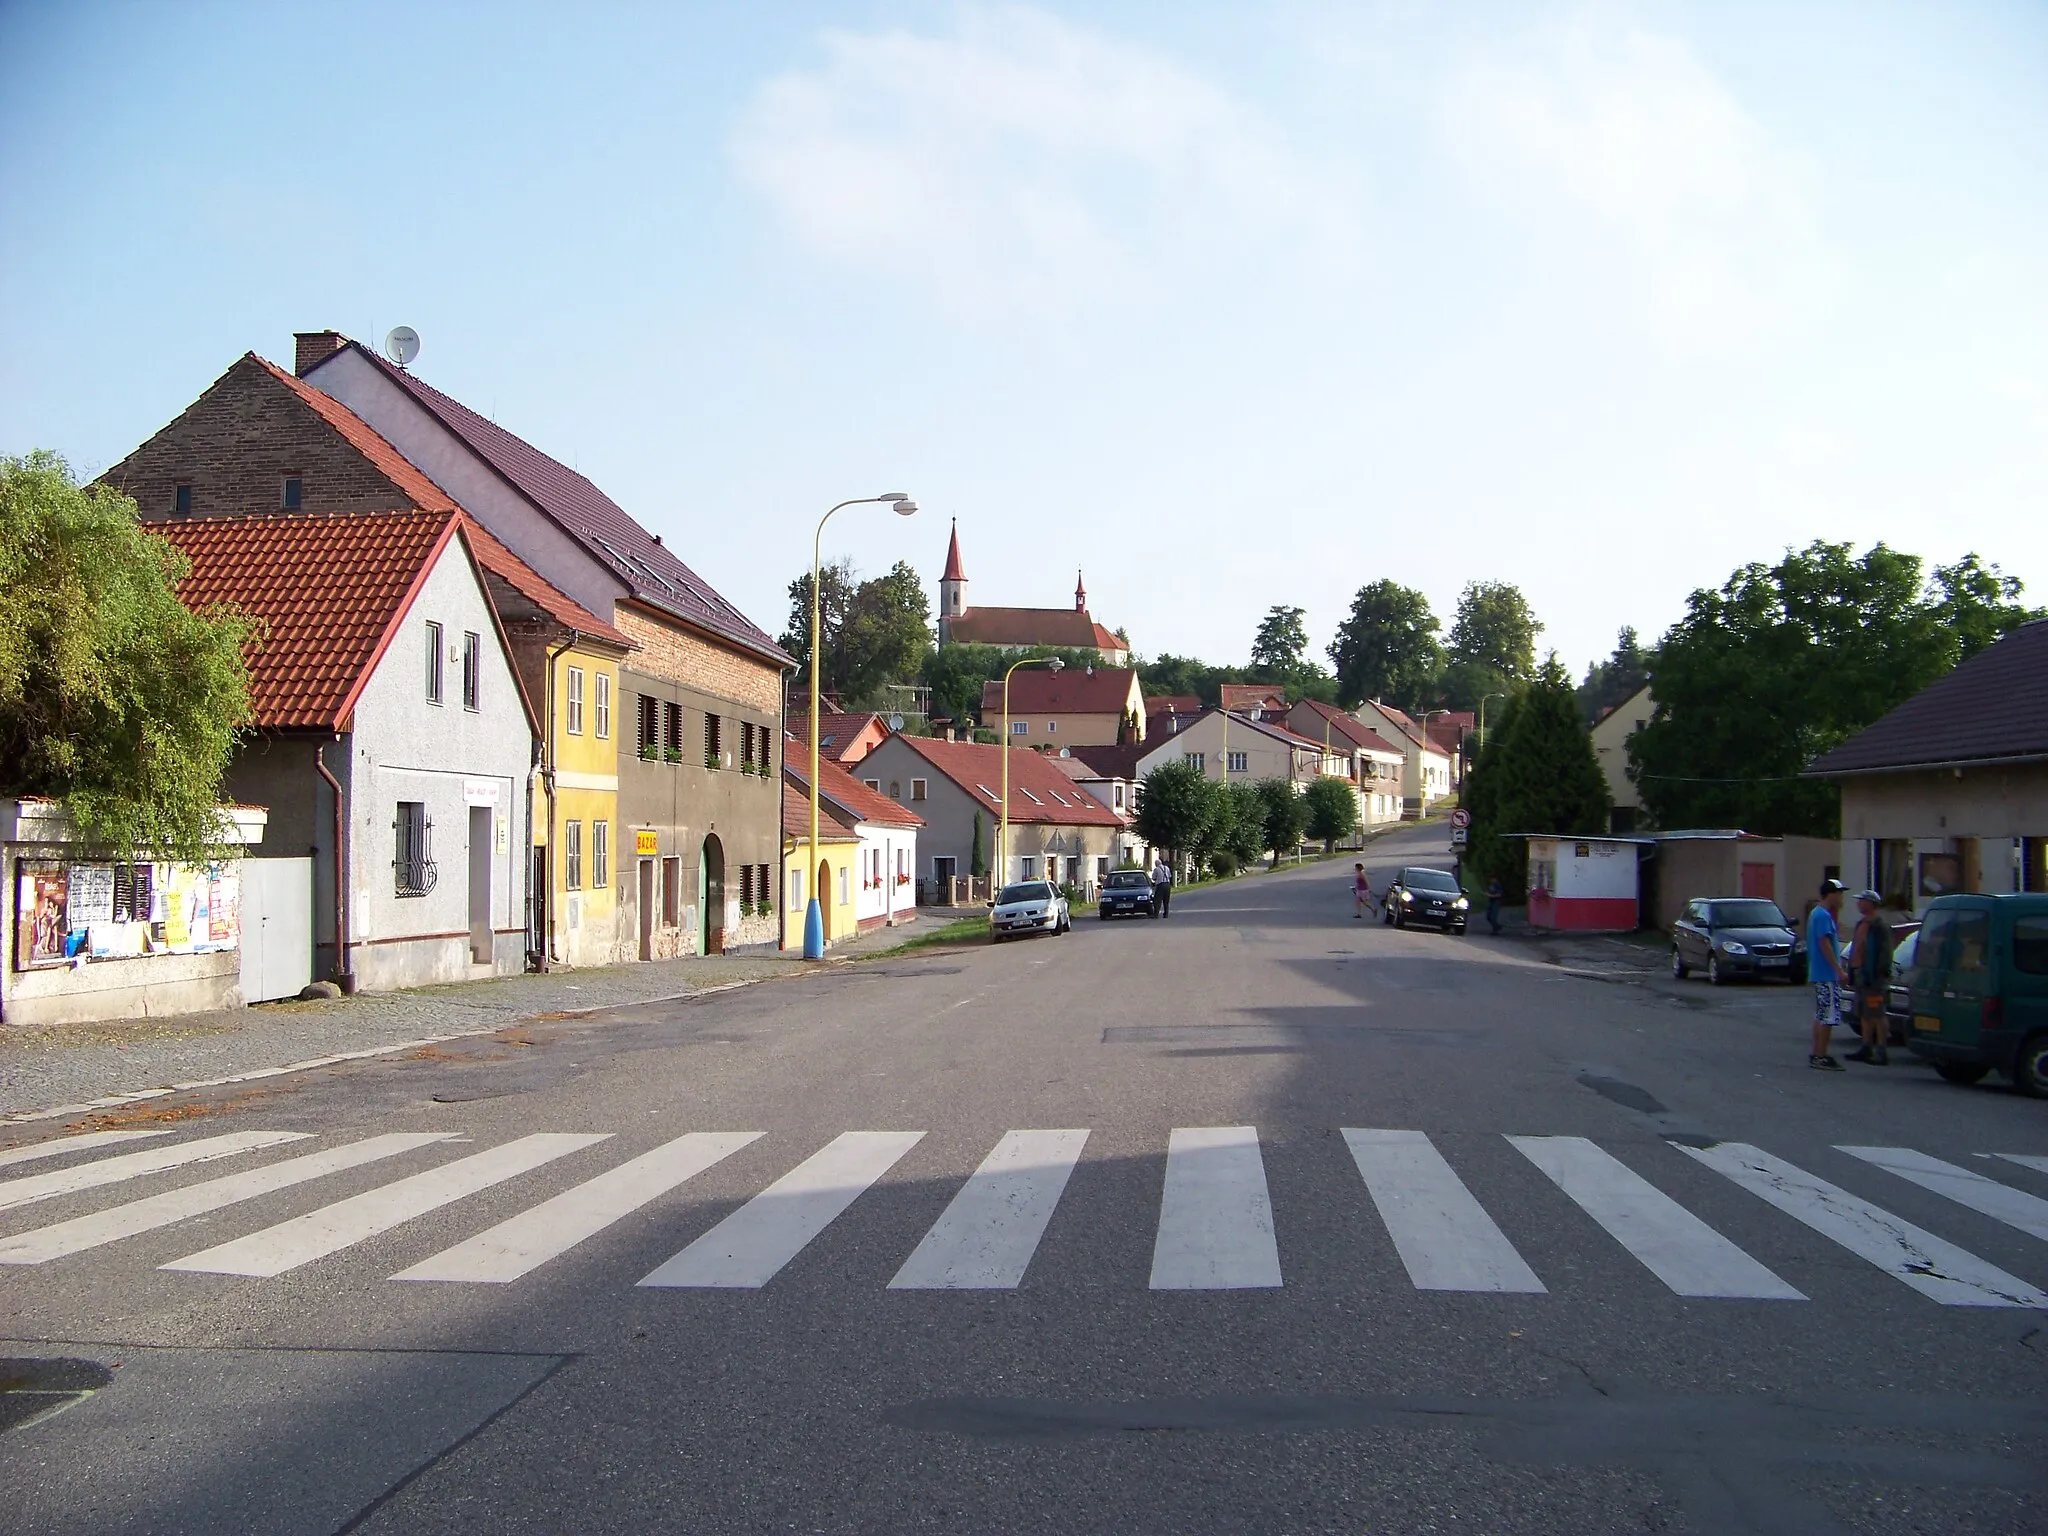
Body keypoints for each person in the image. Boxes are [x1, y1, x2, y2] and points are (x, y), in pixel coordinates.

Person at [1843, 889, 1895, 1066]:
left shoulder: (1880, 926)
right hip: (1861, 975)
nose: (1858, 904)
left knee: (1877, 1013)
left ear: (1871, 904)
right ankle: (1866, 1047)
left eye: (1862, 900)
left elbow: (1886, 953)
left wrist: (1879, 973)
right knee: (1864, 1013)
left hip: (1874, 977)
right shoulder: (1861, 924)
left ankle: (1881, 1050)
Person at [1806, 879, 1849, 1071]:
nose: (1841, 897)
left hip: (1820, 973)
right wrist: (1838, 970)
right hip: (1826, 973)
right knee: (1829, 1015)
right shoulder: (1822, 915)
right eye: (1839, 893)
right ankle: (1821, 1055)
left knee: (1821, 1013)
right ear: (1830, 894)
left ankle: (1817, 1053)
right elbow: (1824, 943)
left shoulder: (1819, 914)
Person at [1150, 854, 1174, 919]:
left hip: (1160, 885)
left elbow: (1153, 878)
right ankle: (1166, 914)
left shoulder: (1156, 869)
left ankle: (1156, 914)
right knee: (1166, 900)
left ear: (1156, 864)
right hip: (1167, 885)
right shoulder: (1167, 868)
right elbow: (1169, 876)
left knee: (1157, 900)